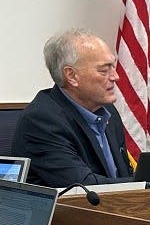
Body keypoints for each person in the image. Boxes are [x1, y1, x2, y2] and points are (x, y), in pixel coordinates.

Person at [12, 29, 135, 187]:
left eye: (113, 67)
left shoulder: (107, 111)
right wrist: (149, 183)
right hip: (70, 210)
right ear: (71, 76)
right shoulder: (41, 121)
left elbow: (123, 174)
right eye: (104, 70)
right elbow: (83, 187)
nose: (115, 76)